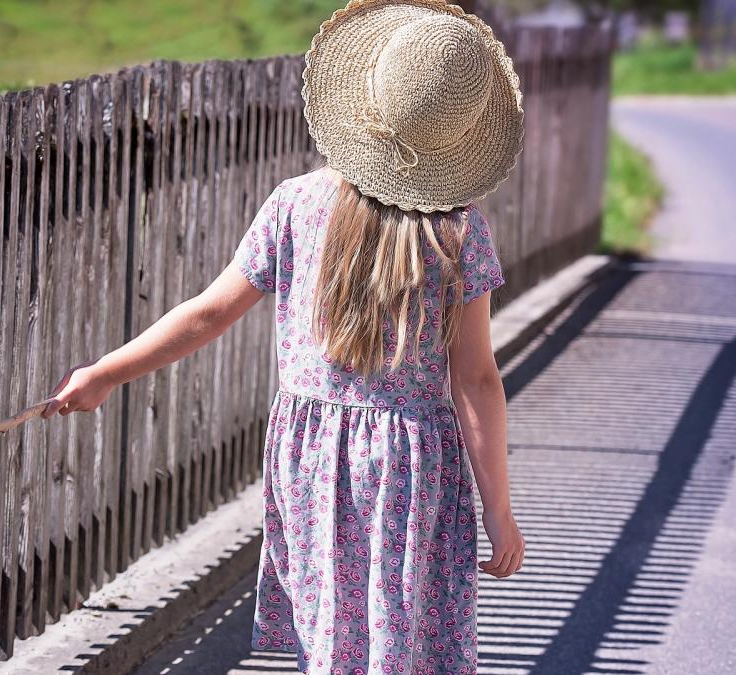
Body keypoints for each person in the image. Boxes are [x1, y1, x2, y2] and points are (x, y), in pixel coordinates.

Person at [41, 1, 525, 672]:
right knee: (404, 639)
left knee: (337, 637)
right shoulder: (458, 231)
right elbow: (475, 378)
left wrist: (105, 372)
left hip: (315, 457)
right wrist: (498, 509)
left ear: (365, 100)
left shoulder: (295, 203)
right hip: (413, 461)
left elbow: (207, 313)